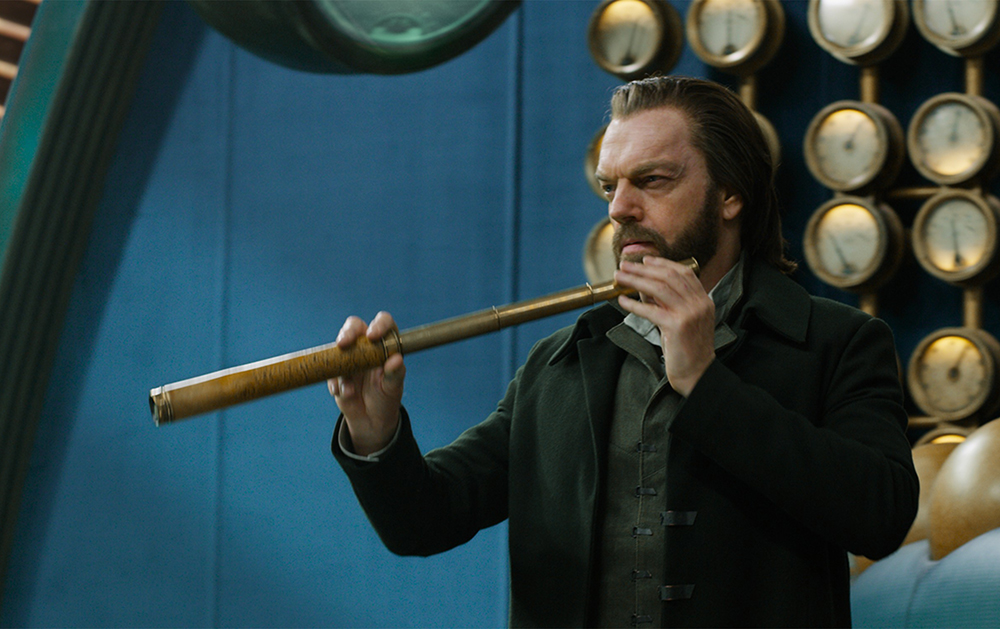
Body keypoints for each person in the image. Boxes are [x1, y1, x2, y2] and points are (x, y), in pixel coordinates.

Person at [329, 76, 918, 628]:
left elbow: (882, 518)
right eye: (611, 186)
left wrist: (706, 383)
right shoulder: (560, 363)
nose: (619, 208)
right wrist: (376, 433)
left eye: (652, 180)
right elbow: (424, 522)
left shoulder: (838, 342)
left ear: (730, 195)